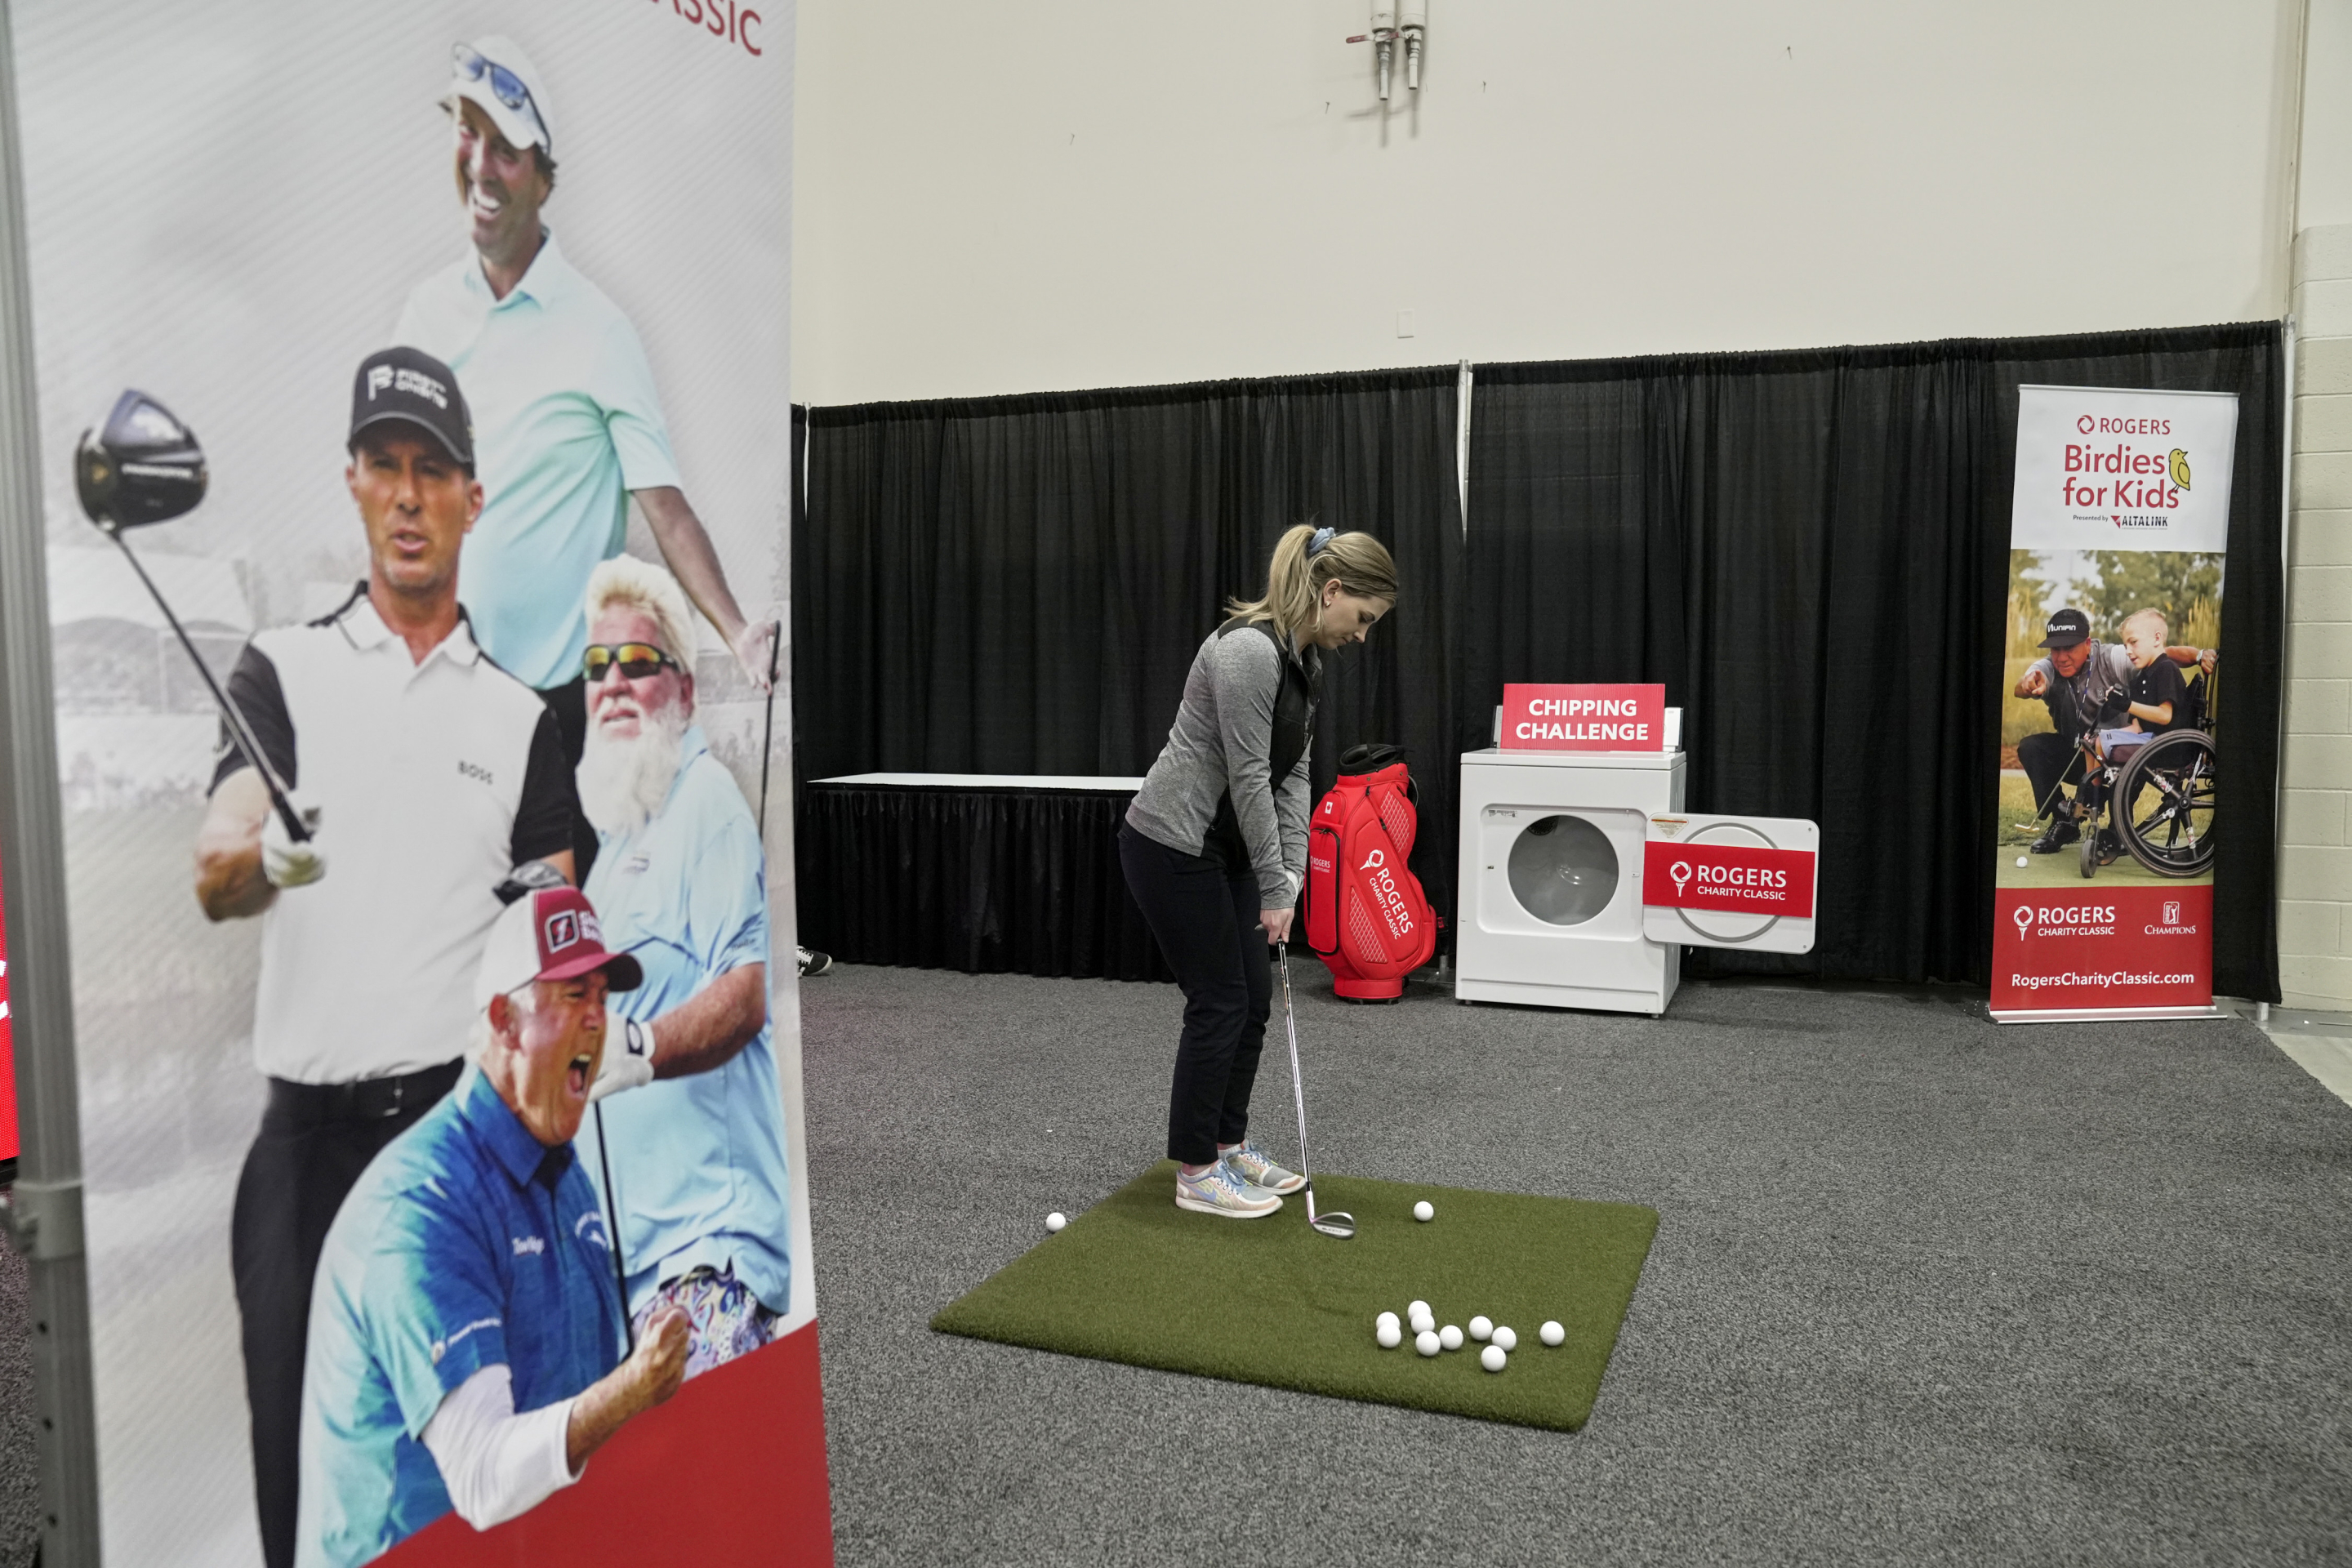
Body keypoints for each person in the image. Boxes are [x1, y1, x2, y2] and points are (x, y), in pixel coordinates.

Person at [194, 346, 580, 1568]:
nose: (409, 495)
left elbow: (556, 933)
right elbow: (218, 866)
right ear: (354, 481)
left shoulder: (522, 719)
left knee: (472, 1492)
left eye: (434, 471)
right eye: (386, 466)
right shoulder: (281, 670)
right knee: (307, 1497)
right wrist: (268, 861)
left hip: (453, 1153)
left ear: (473, 498)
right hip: (304, 1157)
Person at [390, 37, 779, 883]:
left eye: (506, 147)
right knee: (455, 921)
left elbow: (666, 509)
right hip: (452, 696)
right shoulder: (423, 317)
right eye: (467, 133)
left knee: (565, 935)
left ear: (542, 174)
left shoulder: (600, 331)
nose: (481, 165)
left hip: (565, 709)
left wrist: (738, 631)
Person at [296, 885, 690, 1567]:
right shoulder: (421, 1208)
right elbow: (481, 1475)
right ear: (506, 1022)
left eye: (603, 997)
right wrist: (629, 1392)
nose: (598, 1020)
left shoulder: (560, 1171)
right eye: (575, 995)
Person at [1119, 524, 1398, 1217]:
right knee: (1218, 1001)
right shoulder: (1248, 651)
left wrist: (1289, 877)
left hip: (1231, 846)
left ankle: (1229, 1145)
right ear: (1332, 591)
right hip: (1174, 843)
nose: (1363, 635)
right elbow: (1248, 778)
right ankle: (1196, 1173)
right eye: (1363, 617)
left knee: (1252, 1000)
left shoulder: (1306, 661)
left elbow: (1293, 774)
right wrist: (1274, 886)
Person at [569, 557, 794, 1372]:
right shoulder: (613, 849)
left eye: (638, 662)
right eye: (597, 666)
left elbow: (745, 995)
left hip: (705, 1265)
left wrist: (636, 1048)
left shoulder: (707, 803)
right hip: (624, 1281)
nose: (614, 683)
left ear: (686, 691)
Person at [2013, 607, 2216, 854]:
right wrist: (2029, 684)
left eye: (2069, 648)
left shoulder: (2114, 657)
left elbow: (2164, 654)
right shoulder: (2047, 666)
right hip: (2079, 752)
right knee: (2031, 747)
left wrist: (2199, 655)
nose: (2062, 657)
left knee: (2120, 753)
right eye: (2056, 649)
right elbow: (2024, 684)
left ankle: (2116, 829)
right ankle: (2064, 820)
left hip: (2121, 756)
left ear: (2087, 644)